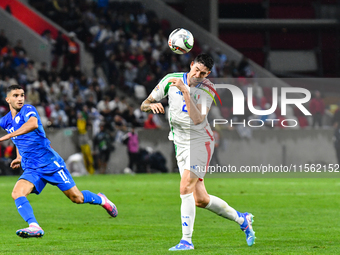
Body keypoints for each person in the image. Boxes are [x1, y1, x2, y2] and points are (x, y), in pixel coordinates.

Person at [140, 54, 255, 250]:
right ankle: (242, 219)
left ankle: (186, 241)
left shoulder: (208, 88)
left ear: (208, 73)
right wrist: (151, 105)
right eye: (196, 70)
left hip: (200, 142)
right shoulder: (170, 80)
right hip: (180, 143)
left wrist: (185, 91)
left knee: (185, 188)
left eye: (203, 73)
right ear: (191, 65)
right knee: (200, 199)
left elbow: (197, 119)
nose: (198, 75)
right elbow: (143, 104)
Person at [0, 85, 118, 238]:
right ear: (7, 99)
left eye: (22, 95)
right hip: (32, 167)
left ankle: (101, 199)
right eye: (15, 95)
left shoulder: (28, 110)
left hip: (50, 163)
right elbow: (18, 139)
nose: (20, 98)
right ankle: (34, 226)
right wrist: (19, 156)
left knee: (77, 198)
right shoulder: (5, 121)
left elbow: (33, 124)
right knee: (17, 193)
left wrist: (8, 136)